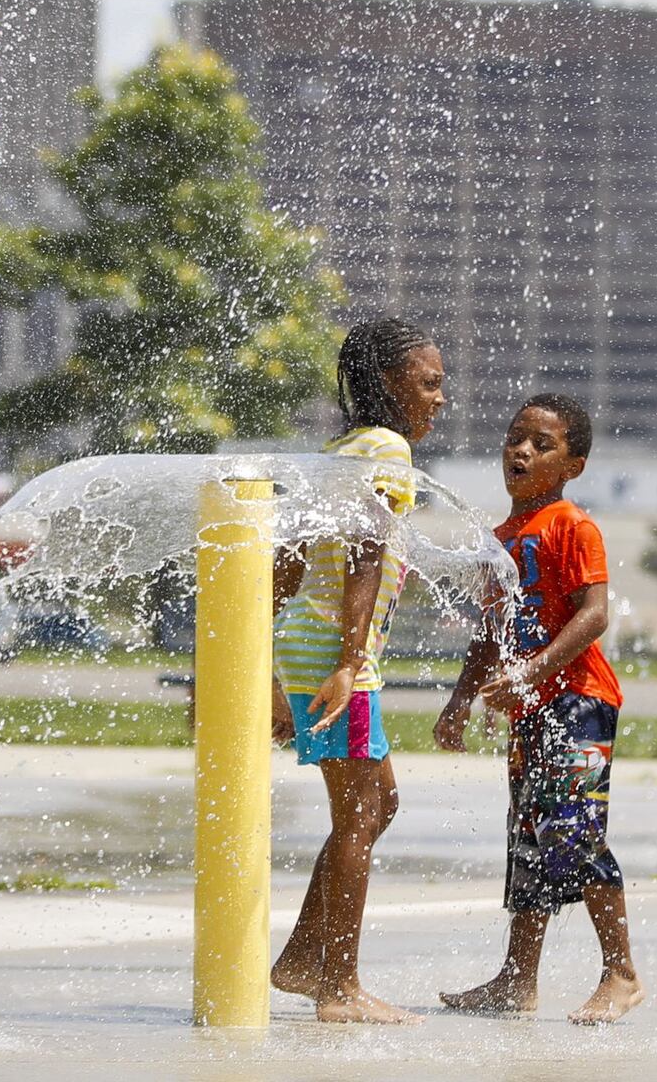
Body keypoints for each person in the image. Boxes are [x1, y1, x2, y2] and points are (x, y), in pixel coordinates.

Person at [434, 392, 645, 1026]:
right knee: (528, 839)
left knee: (574, 832)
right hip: (530, 711)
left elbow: (595, 614)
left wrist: (529, 670)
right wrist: (460, 698)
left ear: (572, 465)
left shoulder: (572, 526)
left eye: (541, 444)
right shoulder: (500, 539)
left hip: (580, 702)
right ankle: (516, 981)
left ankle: (622, 973)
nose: (520, 451)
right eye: (514, 438)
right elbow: (489, 629)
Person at [269, 316, 445, 1024]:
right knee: (363, 811)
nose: (439, 397)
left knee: (380, 804)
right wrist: (347, 663)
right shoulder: (388, 450)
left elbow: (287, 559)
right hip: (336, 656)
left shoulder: (340, 448)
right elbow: (369, 552)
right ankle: (337, 987)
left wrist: (277, 670)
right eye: (429, 383)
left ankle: (303, 958)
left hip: (305, 648)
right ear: (388, 382)